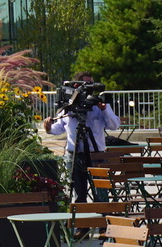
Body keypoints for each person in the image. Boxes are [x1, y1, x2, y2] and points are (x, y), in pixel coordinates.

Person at [42, 72, 121, 203]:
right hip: (75, 155)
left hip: (97, 155)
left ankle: (102, 220)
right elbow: (59, 128)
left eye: (92, 85)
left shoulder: (98, 106)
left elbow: (114, 125)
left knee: (101, 194)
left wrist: (104, 109)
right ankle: (80, 220)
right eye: (87, 86)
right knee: (78, 196)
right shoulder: (69, 107)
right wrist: (48, 128)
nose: (90, 89)